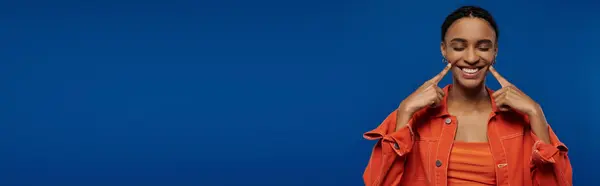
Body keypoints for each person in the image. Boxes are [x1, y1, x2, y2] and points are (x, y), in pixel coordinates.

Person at [362, 5, 572, 186]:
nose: (471, 57)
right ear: (444, 50)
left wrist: (536, 113)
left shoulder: (524, 119)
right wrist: (405, 111)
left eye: (483, 47)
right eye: (459, 47)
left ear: (494, 52)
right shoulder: (412, 115)